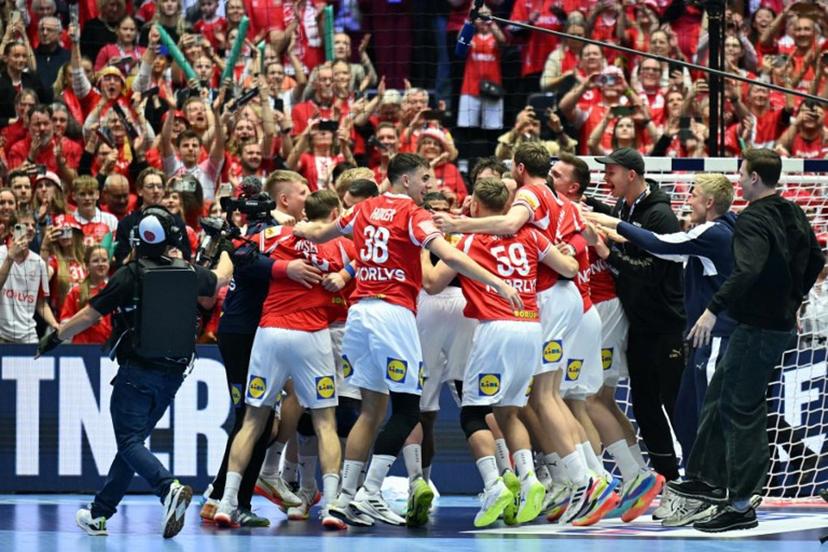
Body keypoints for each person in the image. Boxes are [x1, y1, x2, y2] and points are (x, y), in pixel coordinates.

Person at [293, 153, 522, 528]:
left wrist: (297, 229)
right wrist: (497, 282)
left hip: (359, 314)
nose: (429, 186)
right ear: (405, 181)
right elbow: (450, 256)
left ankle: (344, 499)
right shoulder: (413, 215)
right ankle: (369, 492)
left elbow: (318, 233)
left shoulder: (362, 209)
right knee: (407, 411)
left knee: (371, 411)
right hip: (393, 315)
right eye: (424, 179)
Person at [42, 205, 233, 539]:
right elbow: (221, 278)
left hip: (137, 374)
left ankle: (167, 488)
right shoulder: (189, 271)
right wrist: (228, 246)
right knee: (132, 444)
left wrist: (57, 335)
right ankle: (99, 513)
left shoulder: (128, 275)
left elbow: (89, 314)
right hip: (173, 375)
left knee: (129, 441)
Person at [668, 149, 824, 532]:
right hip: (767, 324)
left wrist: (713, 309)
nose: (738, 180)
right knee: (719, 396)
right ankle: (706, 479)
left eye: (741, 174)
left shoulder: (752, 218)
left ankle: (740, 503)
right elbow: (817, 259)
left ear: (754, 177)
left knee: (740, 409)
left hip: (759, 326)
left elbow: (748, 269)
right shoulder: (792, 211)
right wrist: (793, 299)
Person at [422, 177, 579, 528]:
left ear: (475, 205)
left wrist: (422, 250)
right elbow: (570, 269)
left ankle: (494, 485)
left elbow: (432, 283)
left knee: (473, 413)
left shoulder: (468, 239)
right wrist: (567, 251)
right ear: (508, 206)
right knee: (509, 412)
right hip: (531, 327)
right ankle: (529, 478)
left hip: (495, 330)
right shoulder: (532, 235)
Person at [586, 172, 738, 524]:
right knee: (688, 412)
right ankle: (699, 488)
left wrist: (611, 223)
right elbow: (671, 252)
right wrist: (614, 231)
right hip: (702, 336)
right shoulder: (723, 229)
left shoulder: (712, 232)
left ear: (709, 202)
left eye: (694, 194)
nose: (689, 199)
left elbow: (661, 244)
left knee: (707, 416)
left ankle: (717, 493)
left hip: (715, 336)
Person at [592, 147, 686, 483]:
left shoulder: (660, 215)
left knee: (674, 404)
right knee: (644, 405)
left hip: (666, 325)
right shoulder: (625, 206)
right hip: (640, 325)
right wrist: (586, 207)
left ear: (631, 175)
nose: (606, 178)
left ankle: (700, 475)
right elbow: (621, 226)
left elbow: (651, 271)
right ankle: (668, 477)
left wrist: (607, 253)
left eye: (611, 172)